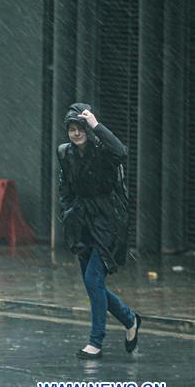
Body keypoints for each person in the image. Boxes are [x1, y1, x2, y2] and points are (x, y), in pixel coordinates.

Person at [57, 103, 141, 359]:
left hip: (107, 221)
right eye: (71, 129)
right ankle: (130, 320)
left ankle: (96, 342)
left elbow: (121, 152)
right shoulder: (64, 153)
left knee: (94, 280)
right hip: (81, 223)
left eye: (80, 128)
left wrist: (95, 124)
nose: (76, 133)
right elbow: (65, 188)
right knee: (93, 285)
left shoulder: (103, 150)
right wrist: (67, 211)